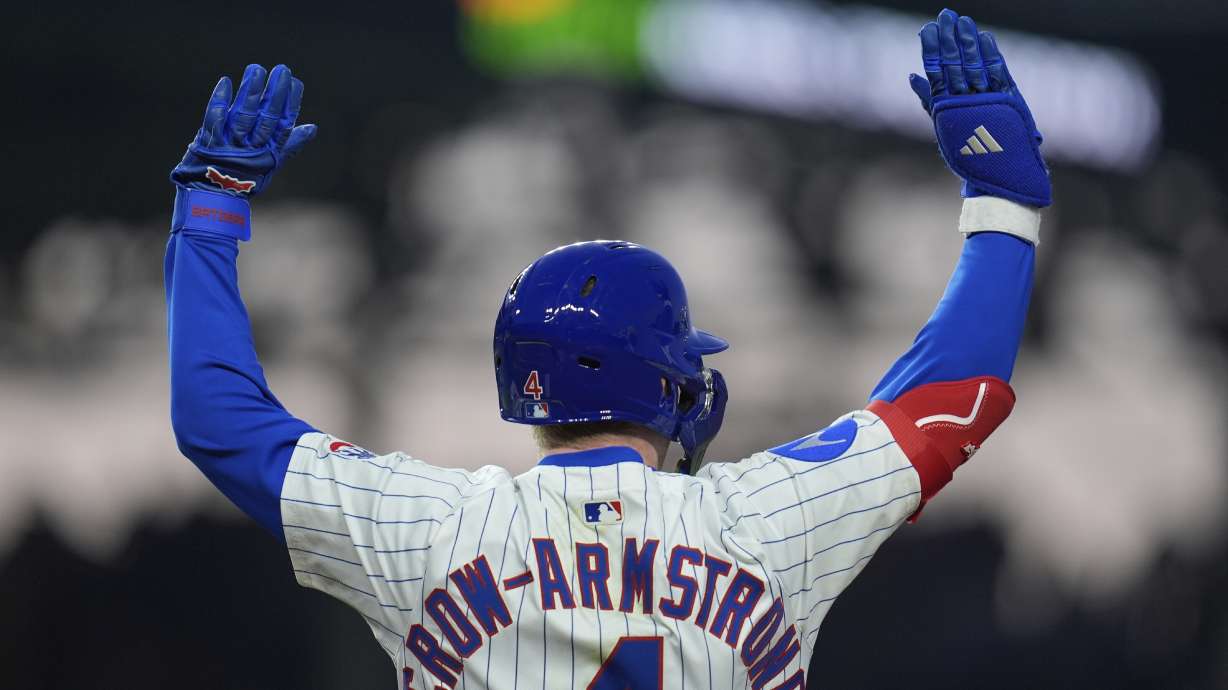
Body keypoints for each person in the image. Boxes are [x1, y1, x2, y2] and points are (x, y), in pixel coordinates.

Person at [165, 9, 1047, 688]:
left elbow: (219, 418)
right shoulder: (764, 524)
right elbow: (947, 396)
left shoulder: (433, 529)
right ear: (670, 384)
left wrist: (211, 211)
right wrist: (1001, 204)